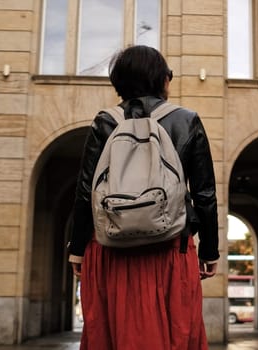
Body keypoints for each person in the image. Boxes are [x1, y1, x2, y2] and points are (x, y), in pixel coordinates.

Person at [68, 45, 219, 350]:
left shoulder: (104, 121)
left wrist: (77, 249)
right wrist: (210, 251)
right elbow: (204, 192)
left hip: (110, 249)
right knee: (174, 331)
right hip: (170, 249)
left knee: (111, 334)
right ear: (162, 79)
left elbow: (86, 190)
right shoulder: (186, 120)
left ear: (119, 82)